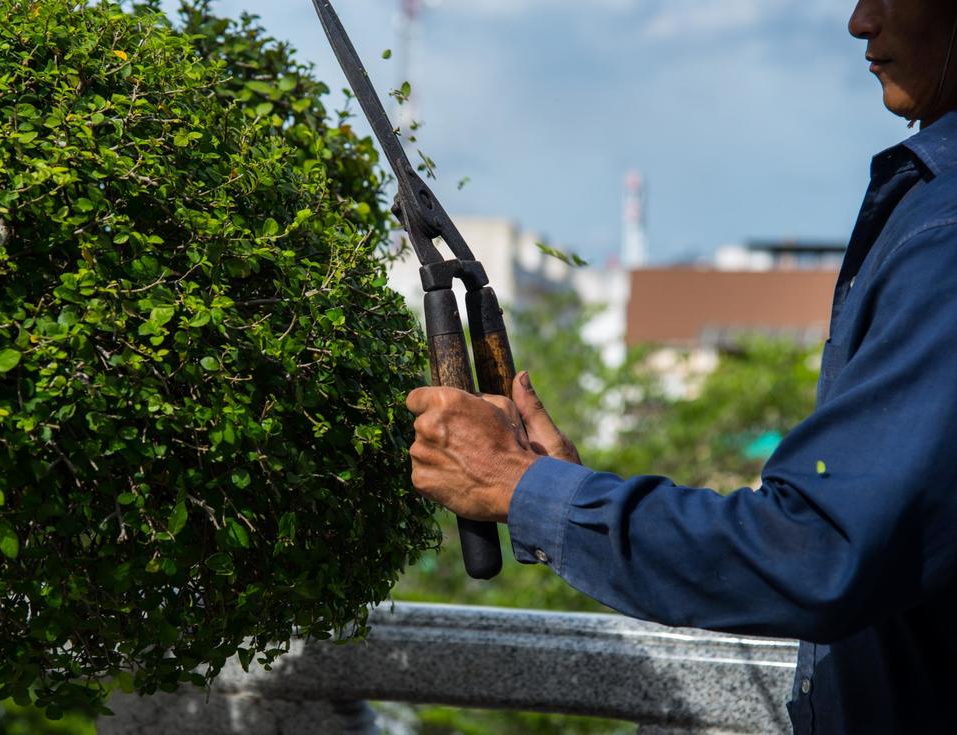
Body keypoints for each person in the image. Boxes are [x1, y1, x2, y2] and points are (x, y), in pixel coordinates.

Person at [406, 1, 957, 733]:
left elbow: (819, 551)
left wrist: (527, 488)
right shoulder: (925, 203)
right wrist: (557, 486)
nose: (860, 23)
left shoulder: (946, 233)